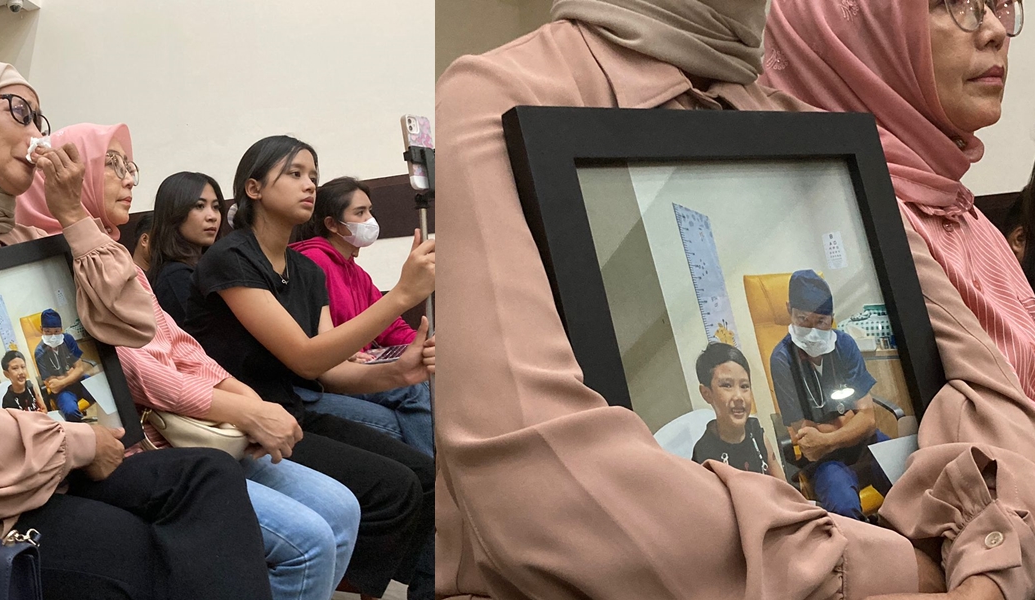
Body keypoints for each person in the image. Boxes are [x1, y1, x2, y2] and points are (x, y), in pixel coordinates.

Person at [435, 0, 1035, 598]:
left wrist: (984, 555)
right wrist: (921, 567)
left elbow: (991, 398)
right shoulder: (502, 92)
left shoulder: (805, 126)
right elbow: (546, 486)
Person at [0, 58, 272, 600]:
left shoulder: (26, 238)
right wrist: (79, 443)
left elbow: (129, 322)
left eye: (40, 119)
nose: (37, 135)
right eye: (19, 111)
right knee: (131, 545)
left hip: (62, 467)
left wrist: (73, 216)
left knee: (209, 475)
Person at [17, 123, 362, 600]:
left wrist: (248, 403)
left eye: (128, 165)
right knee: (309, 541)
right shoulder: (55, 262)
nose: (128, 177)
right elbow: (135, 370)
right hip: (149, 441)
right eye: (111, 165)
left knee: (343, 507)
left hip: (197, 424)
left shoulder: (117, 256)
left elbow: (182, 347)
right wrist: (248, 412)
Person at [183, 135, 436, 600]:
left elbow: (328, 369)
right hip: (240, 423)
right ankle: (335, 580)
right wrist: (402, 295)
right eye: (295, 173)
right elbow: (303, 355)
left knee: (424, 477)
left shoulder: (307, 272)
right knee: (392, 488)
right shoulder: (230, 259)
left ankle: (398, 587)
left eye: (314, 176)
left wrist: (401, 372)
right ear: (254, 188)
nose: (309, 185)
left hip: (293, 411)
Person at [761, 0, 1035, 402]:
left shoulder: (962, 212)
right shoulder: (850, 222)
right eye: (953, 4)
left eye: (996, 5)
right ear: (854, 34)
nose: (994, 30)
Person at [290, 176, 433, 455]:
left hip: (366, 361)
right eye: (360, 213)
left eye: (370, 210)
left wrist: (425, 343)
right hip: (335, 374)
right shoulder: (313, 263)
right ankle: (435, 472)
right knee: (416, 388)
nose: (370, 220)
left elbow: (390, 327)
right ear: (332, 224)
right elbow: (311, 338)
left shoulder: (357, 272)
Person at [768, 270, 887, 520]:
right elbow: (804, 438)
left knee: (910, 477)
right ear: (789, 310)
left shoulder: (845, 345)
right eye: (803, 320)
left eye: (821, 322)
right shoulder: (782, 360)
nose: (812, 332)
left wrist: (828, 437)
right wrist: (850, 422)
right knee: (844, 506)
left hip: (865, 447)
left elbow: (869, 419)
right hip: (825, 463)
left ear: (832, 318)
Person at [691, 342, 786, 481]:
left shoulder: (757, 432)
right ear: (706, 393)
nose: (739, 396)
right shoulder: (704, 454)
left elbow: (784, 490)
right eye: (727, 385)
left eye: (744, 386)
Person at [145, 171, 224, 323]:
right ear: (174, 213)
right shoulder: (176, 277)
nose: (212, 216)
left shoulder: (203, 268)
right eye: (199, 206)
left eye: (216, 207)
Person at [33, 308, 94, 422]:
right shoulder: (40, 352)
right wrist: (72, 372)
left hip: (79, 383)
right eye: (48, 332)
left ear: (61, 329)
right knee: (71, 412)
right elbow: (53, 387)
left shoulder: (68, 340)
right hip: (63, 392)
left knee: (101, 392)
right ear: (41, 330)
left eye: (56, 332)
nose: (53, 336)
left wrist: (61, 380)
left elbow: (80, 369)